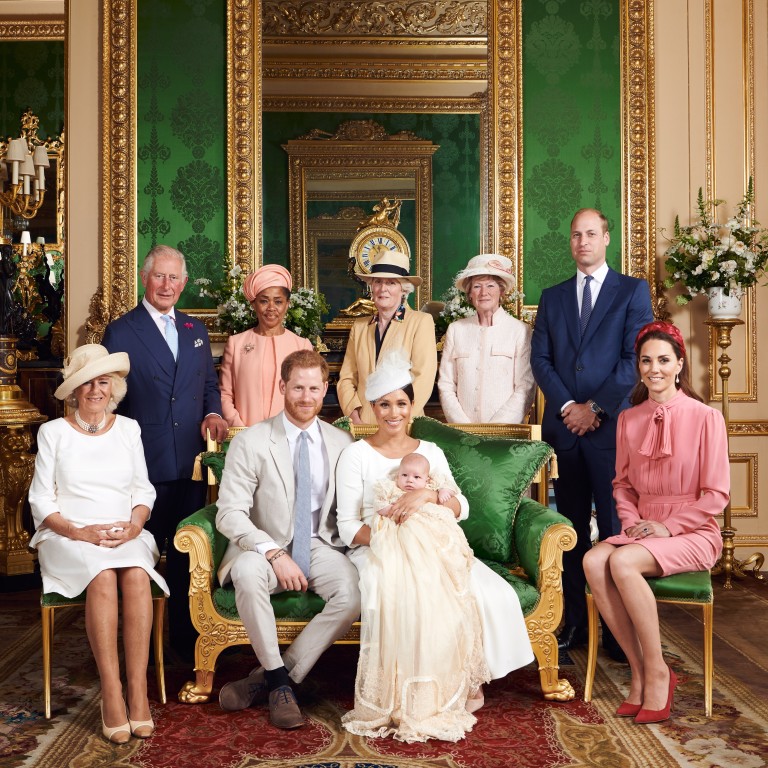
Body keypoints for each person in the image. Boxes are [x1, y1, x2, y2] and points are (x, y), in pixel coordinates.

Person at [336, 349, 534, 742]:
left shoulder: (429, 452)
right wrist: (395, 543)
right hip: (378, 547)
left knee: (485, 590)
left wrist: (427, 496)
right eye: (384, 404)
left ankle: (461, 683)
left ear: (412, 407)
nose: (393, 412)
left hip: (437, 545)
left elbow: (461, 507)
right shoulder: (355, 454)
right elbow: (347, 526)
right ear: (373, 408)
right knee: (408, 593)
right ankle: (409, 694)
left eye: (401, 403)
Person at [583, 321, 729, 724]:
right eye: (646, 361)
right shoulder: (628, 419)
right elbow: (623, 485)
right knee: (593, 560)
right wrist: (632, 522)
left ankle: (659, 670)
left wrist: (668, 527)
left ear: (679, 364)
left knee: (622, 561)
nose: (654, 369)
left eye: (664, 360)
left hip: (692, 531)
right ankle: (640, 671)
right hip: (643, 528)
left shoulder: (707, 418)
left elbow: (716, 495)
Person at [28, 344, 169, 744]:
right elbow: (41, 500)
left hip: (125, 531)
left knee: (137, 575)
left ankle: (137, 691)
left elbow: (143, 489)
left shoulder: (129, 429)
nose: (95, 390)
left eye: (103, 382)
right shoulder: (53, 433)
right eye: (87, 383)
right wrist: (80, 532)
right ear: (74, 390)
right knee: (103, 576)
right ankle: (111, 690)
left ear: (114, 388)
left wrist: (135, 525)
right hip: (67, 534)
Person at [530, 208, 653, 658]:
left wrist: (595, 408)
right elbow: (541, 359)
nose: (582, 241)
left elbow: (633, 358)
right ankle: (575, 624)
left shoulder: (632, 291)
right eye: (576, 234)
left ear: (606, 239)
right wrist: (569, 408)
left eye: (591, 234)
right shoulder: (553, 297)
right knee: (569, 530)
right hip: (566, 431)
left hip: (611, 431)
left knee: (617, 529)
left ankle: (619, 631)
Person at [215, 350, 360, 729]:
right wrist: (273, 552)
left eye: (313, 388)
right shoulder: (252, 441)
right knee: (247, 572)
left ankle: (272, 678)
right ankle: (281, 686)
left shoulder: (343, 442)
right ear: (282, 386)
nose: (306, 397)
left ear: (325, 389)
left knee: (352, 593)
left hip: (320, 545)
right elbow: (229, 513)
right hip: (263, 547)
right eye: (298, 387)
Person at [102, 244, 228, 656]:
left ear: (184, 283)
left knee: (188, 554)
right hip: (144, 462)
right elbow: (110, 400)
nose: (167, 285)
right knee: (143, 554)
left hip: (190, 459)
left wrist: (213, 413)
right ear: (145, 278)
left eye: (174, 277)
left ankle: (186, 642)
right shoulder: (122, 331)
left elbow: (208, 386)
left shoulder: (195, 330)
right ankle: (143, 646)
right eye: (159, 276)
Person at [337, 249, 437, 424]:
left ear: (403, 289)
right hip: (364, 423)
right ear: (371, 287)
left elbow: (423, 377)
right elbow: (347, 377)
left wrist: (400, 418)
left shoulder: (421, 322)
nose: (383, 289)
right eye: (378, 282)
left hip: (403, 423)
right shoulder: (359, 327)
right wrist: (353, 413)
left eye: (391, 283)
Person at [438, 253, 535, 424]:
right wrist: (463, 428)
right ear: (469, 294)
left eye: (490, 285)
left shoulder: (519, 330)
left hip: (505, 431)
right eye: (477, 286)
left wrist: (498, 428)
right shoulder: (456, 330)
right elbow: (446, 384)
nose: (484, 293)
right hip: (462, 431)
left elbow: (525, 386)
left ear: (501, 291)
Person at [219, 263, 312, 427]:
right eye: (264, 301)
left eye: (278, 301)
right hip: (245, 433)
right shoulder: (236, 343)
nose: (271, 308)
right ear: (253, 304)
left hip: (289, 434)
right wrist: (240, 429)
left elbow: (308, 395)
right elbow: (225, 394)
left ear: (287, 304)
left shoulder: (302, 345)